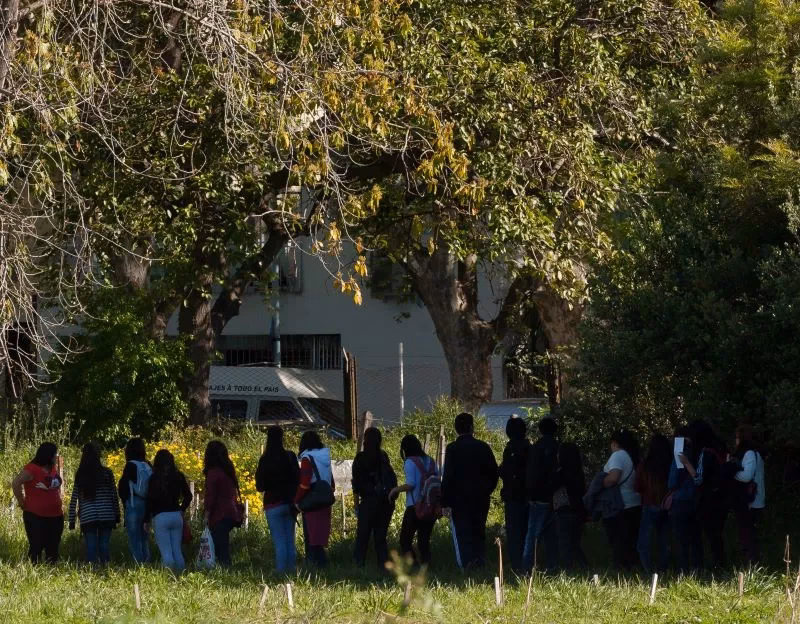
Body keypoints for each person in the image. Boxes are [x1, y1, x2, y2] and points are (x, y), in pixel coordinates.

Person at [441, 412, 499, 570]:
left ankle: (466, 564)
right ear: (472, 427)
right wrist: (487, 490)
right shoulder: (483, 447)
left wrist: (445, 502)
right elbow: (494, 472)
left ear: (456, 429)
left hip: (459, 499)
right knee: (479, 530)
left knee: (462, 532)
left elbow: (447, 477)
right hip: (481, 497)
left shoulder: (452, 448)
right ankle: (480, 560)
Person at [255, 426, 300, 573]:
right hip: (289, 503)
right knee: (290, 540)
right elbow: (298, 479)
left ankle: (281, 571)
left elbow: (260, 486)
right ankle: (292, 570)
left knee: (279, 541)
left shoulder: (265, 459)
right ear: (282, 437)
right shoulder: (290, 456)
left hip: (272, 503)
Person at [352, 426, 397, 571]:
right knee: (380, 537)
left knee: (362, 537)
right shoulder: (383, 456)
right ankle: (383, 567)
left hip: (368, 501)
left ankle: (359, 565)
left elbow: (356, 485)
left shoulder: (360, 458)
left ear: (365, 440)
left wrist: (356, 504)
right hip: (385, 501)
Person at [68, 442, 121, 564]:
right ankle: (106, 567)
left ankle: (92, 569)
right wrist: (117, 515)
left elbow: (74, 498)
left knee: (91, 545)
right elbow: (114, 495)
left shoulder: (80, 474)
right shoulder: (107, 473)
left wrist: (72, 520)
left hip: (88, 515)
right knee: (104, 544)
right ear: (98, 456)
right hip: (107, 513)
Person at [11, 442, 64, 564]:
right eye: (54, 454)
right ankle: (34, 573)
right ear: (48, 455)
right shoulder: (31, 469)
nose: (56, 456)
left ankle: (52, 574)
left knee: (53, 547)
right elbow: (16, 483)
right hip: (35, 515)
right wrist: (21, 501)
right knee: (36, 546)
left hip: (55, 515)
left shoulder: (53, 468)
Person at [389, 434, 438, 567]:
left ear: (405, 449)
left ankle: (414, 566)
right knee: (424, 540)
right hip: (431, 506)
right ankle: (427, 566)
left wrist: (395, 490)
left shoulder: (410, 462)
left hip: (414, 507)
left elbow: (411, 484)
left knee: (405, 540)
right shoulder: (431, 461)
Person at [522, 416, 559, 573]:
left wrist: (530, 494)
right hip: (555, 497)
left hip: (537, 497)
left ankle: (527, 566)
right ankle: (553, 566)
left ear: (540, 430)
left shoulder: (535, 447)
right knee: (552, 535)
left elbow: (531, 473)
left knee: (532, 534)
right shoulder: (558, 447)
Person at [689, 419, 728, 570]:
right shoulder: (720, 448)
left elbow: (698, 478)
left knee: (711, 536)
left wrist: (686, 462)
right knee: (717, 535)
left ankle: (717, 567)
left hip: (708, 499)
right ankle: (721, 565)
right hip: (722, 497)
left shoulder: (705, 452)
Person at [601, 428, 641, 570]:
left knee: (619, 541)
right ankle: (634, 569)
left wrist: (601, 482)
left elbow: (613, 479)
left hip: (621, 505)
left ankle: (621, 571)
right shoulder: (633, 456)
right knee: (631, 541)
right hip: (635, 502)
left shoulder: (618, 455)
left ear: (615, 443)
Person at [147, 449, 192, 573]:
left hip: (160, 516)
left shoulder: (154, 478)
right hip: (176, 515)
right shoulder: (178, 476)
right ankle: (181, 576)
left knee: (166, 552)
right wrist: (182, 509)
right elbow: (189, 496)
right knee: (177, 550)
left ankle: (169, 578)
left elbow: (149, 501)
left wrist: (147, 520)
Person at [294, 430, 335, 567]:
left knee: (311, 536)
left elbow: (304, 484)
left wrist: (297, 500)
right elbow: (332, 481)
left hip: (313, 500)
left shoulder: (307, 458)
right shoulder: (325, 457)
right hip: (326, 499)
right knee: (320, 536)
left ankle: (314, 566)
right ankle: (323, 565)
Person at [498, 416, 531, 574]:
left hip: (513, 496)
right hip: (529, 496)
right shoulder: (529, 447)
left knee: (514, 532)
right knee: (527, 531)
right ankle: (528, 563)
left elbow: (507, 472)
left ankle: (517, 565)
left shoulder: (511, 448)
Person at [669, 426, 704, 574]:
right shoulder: (699, 453)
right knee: (694, 538)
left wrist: (685, 463)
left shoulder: (682, 456)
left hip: (682, 501)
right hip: (693, 500)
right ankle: (696, 569)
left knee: (682, 539)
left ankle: (684, 571)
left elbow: (672, 482)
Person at [635, 434, 671, 574]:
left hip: (649, 504)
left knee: (643, 542)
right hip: (667, 505)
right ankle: (663, 569)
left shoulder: (645, 464)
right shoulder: (670, 463)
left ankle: (649, 570)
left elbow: (637, 486)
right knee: (664, 540)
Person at [203, 440, 243, 567]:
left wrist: (206, 514)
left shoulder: (213, 473)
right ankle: (225, 569)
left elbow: (211, 496)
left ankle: (224, 571)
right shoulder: (228, 471)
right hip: (231, 513)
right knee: (223, 544)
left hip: (219, 514)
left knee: (220, 547)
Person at [730, 424, 766, 565]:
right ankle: (753, 563)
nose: (736, 441)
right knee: (750, 534)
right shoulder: (756, 453)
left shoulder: (750, 453)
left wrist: (732, 472)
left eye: (737, 438)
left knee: (748, 535)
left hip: (752, 501)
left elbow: (746, 476)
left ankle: (752, 565)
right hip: (755, 500)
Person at [552, 442, 587, 571]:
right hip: (578, 511)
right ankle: (584, 568)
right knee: (575, 543)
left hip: (564, 510)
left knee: (565, 544)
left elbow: (551, 486)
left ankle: (569, 570)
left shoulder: (561, 472)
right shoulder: (578, 472)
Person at [118, 437, 152, 563]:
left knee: (134, 538)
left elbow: (123, 486)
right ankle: (147, 562)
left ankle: (138, 564)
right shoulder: (148, 464)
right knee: (144, 537)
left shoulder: (130, 465)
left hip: (133, 502)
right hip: (147, 503)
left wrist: (124, 502)